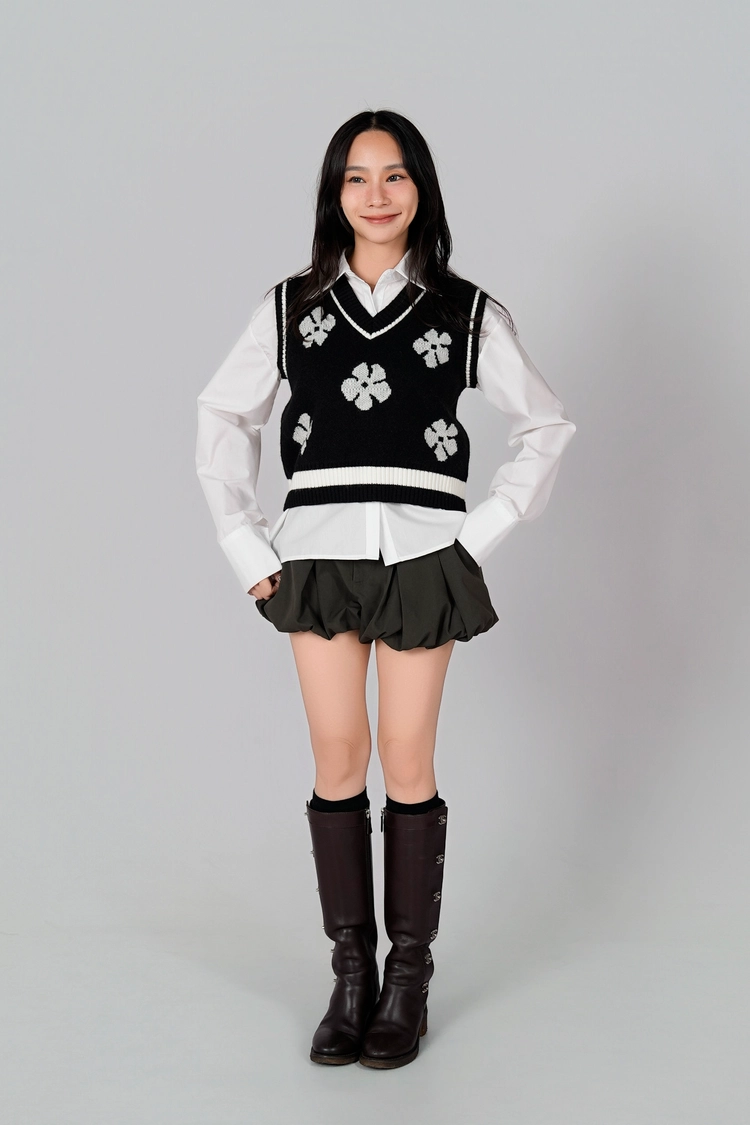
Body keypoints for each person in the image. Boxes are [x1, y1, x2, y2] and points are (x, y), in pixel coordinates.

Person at [195, 109, 576, 1069]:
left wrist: (475, 538)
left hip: (422, 555)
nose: (376, 195)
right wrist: (245, 543)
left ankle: (409, 978)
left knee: (407, 755)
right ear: (335, 194)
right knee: (338, 751)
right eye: (357, 177)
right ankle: (350, 976)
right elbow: (223, 417)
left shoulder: (466, 311)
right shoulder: (289, 308)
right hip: (317, 554)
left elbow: (546, 425)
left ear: (421, 190)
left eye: (395, 175)